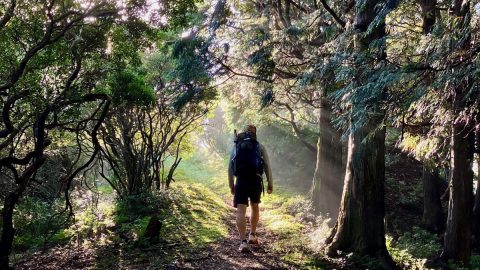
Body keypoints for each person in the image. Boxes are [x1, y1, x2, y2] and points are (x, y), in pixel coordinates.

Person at [228, 124, 273, 253]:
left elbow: (230, 167)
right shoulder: (259, 146)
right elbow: (267, 166)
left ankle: (243, 242)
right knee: (254, 206)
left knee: (241, 210)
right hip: (255, 180)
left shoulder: (236, 146)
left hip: (241, 180)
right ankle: (252, 235)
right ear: (255, 133)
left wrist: (232, 185)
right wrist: (270, 183)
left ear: (244, 132)